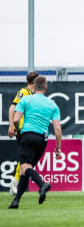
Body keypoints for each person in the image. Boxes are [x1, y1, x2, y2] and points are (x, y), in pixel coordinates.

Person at [8, 76, 61, 209]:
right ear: (46, 88)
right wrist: (58, 147)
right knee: (26, 170)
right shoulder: (52, 104)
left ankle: (42, 185)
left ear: (34, 86)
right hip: (43, 139)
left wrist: (18, 131)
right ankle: (16, 201)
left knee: (25, 167)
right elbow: (57, 128)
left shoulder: (26, 99)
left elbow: (16, 119)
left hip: (28, 135)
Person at [7, 71, 39, 196]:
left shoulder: (33, 94)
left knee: (25, 158)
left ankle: (15, 184)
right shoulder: (24, 92)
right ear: (35, 82)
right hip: (22, 130)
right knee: (25, 159)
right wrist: (11, 125)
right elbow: (12, 107)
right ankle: (15, 184)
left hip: (29, 130)